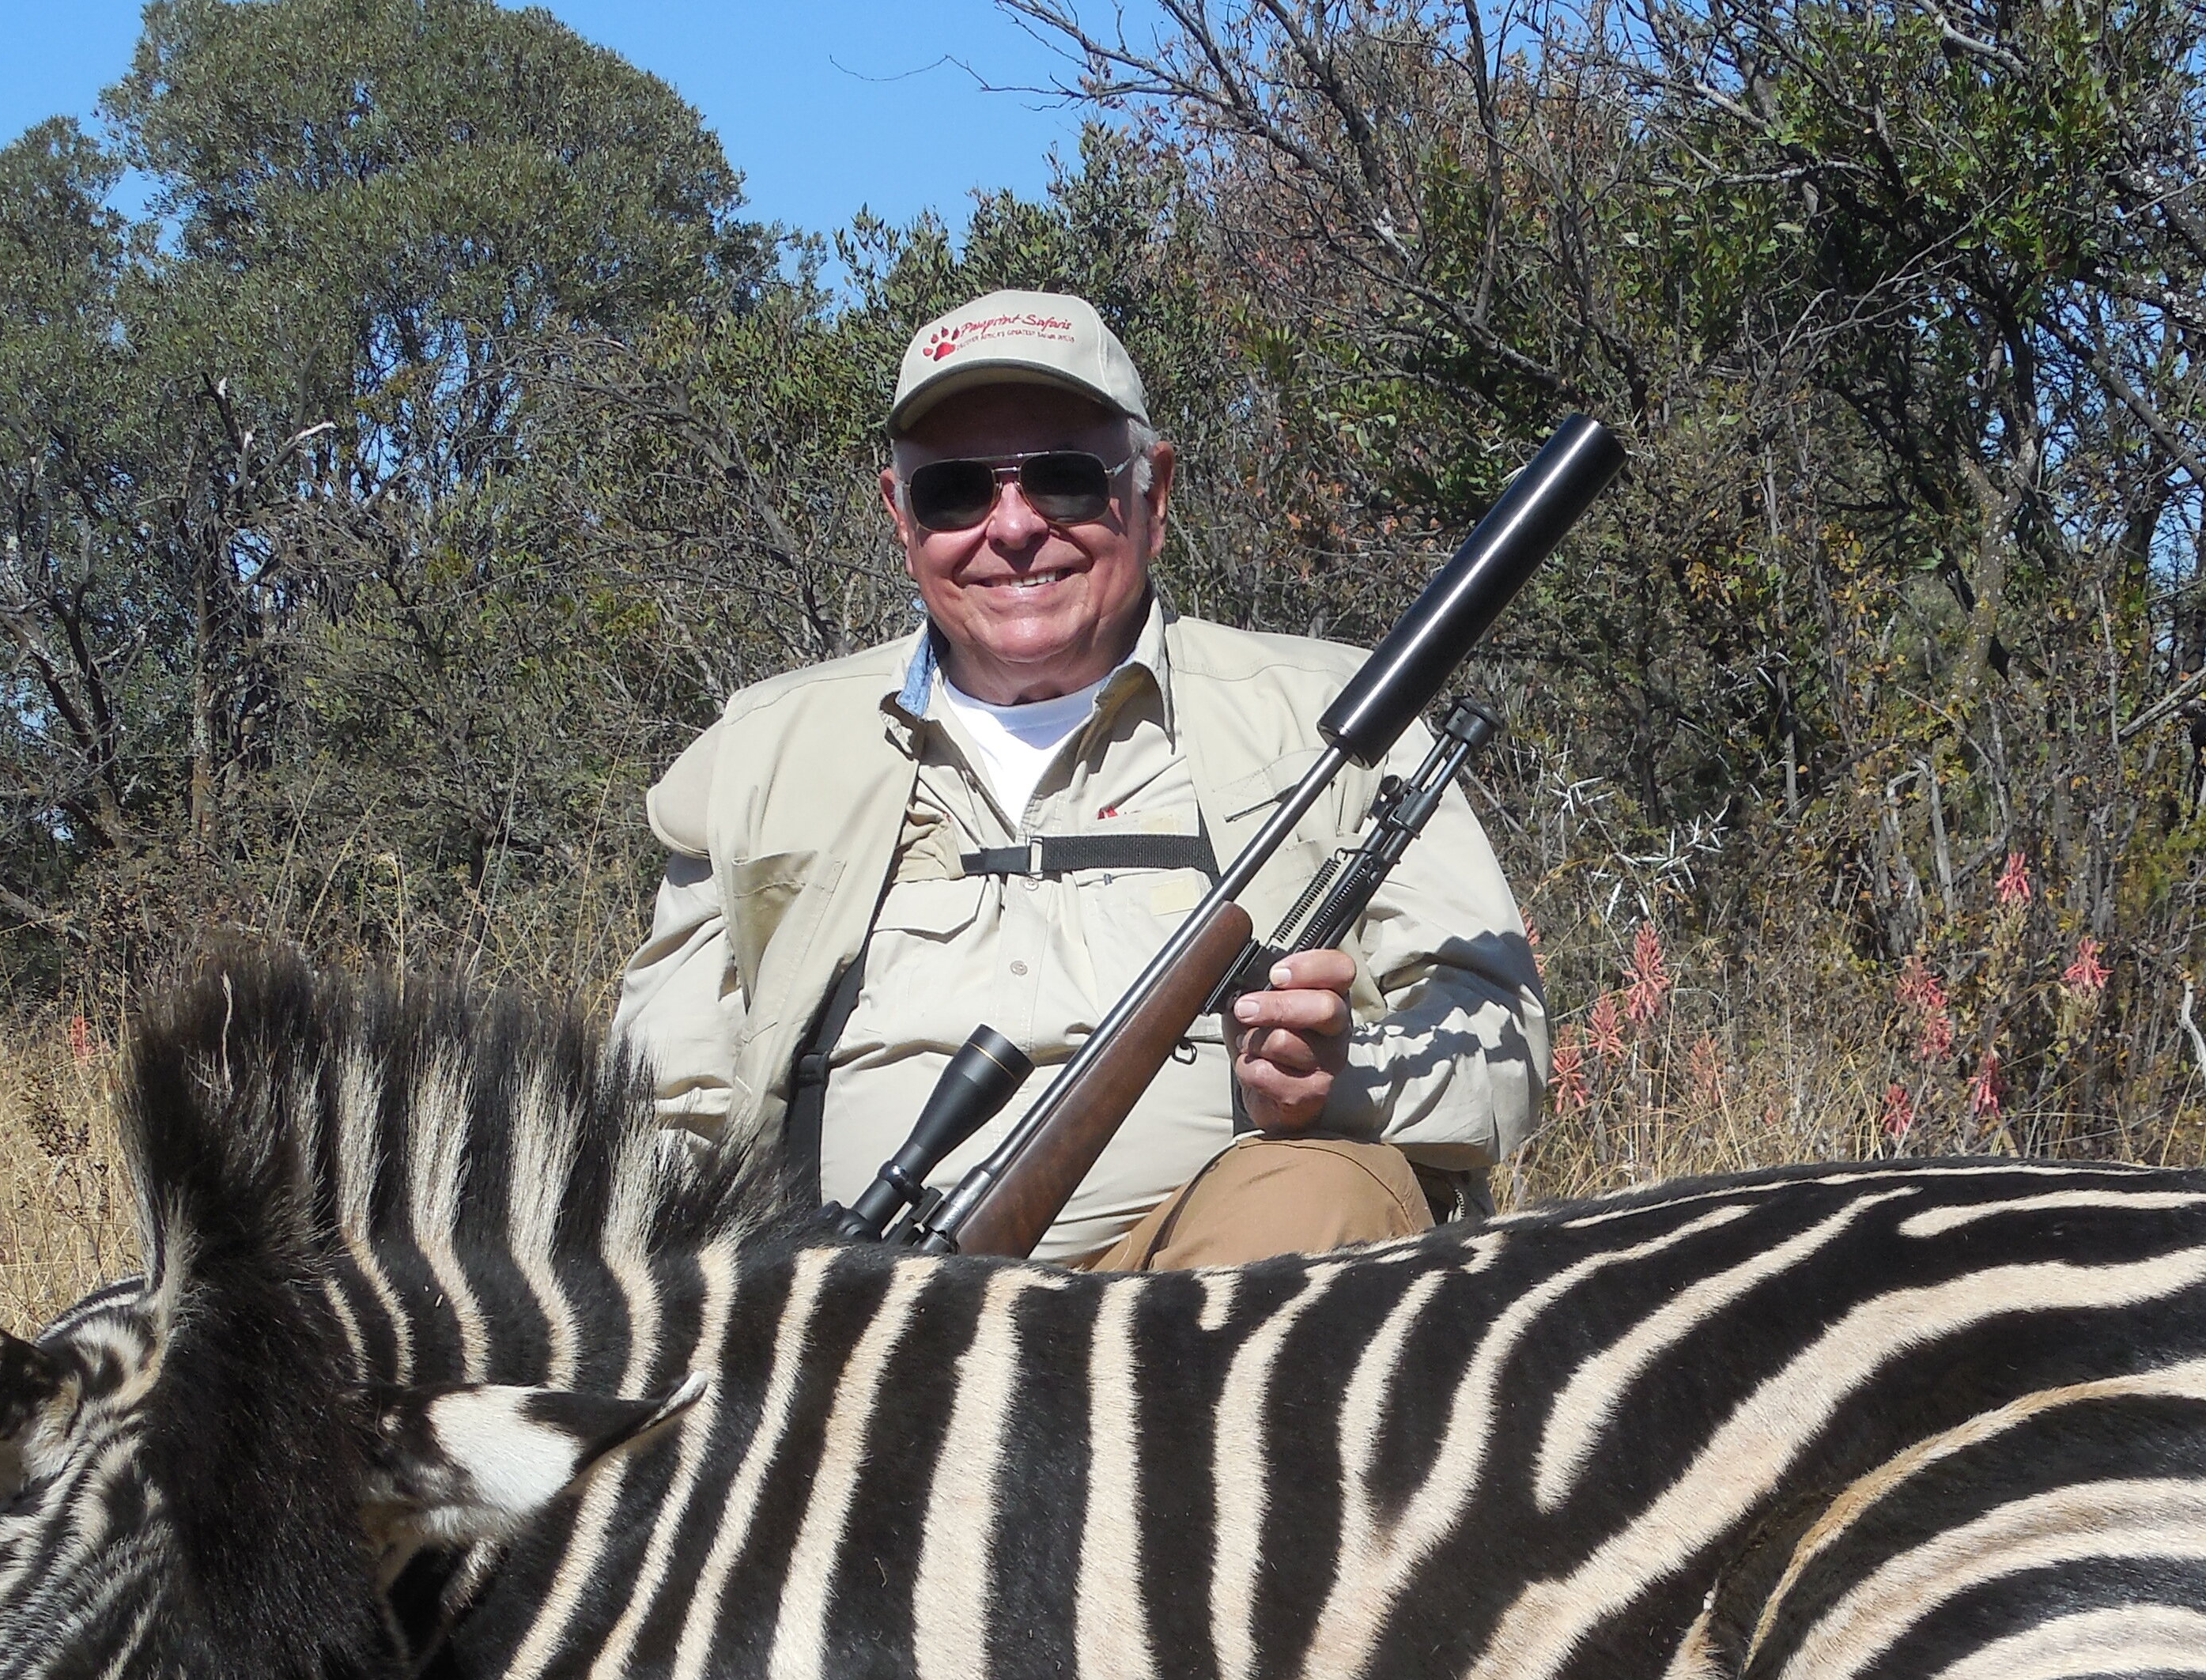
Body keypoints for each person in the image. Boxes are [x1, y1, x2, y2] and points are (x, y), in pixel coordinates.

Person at [613, 289, 1547, 1268]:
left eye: (1063, 480)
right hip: (856, 1314)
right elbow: (664, 1116)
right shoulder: (761, 750)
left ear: (1155, 494)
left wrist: (1346, 1080)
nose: (1012, 528)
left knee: (1315, 1192)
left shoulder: (1340, 716)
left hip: (1209, 1320)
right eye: (954, 493)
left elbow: (1504, 1052)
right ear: (900, 516)